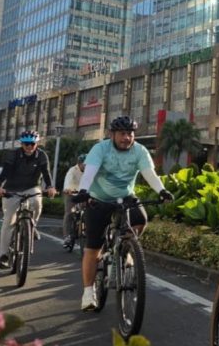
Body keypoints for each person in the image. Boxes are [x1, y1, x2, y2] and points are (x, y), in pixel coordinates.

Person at [72, 116, 173, 312]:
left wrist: (162, 190)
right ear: (112, 135)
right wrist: (84, 191)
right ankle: (88, 293)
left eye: (130, 134)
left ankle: (125, 249)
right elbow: (90, 172)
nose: (127, 138)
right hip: (99, 199)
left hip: (125, 197)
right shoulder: (100, 149)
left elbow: (149, 173)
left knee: (141, 219)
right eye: (122, 134)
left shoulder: (140, 151)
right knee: (93, 248)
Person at [0, 131, 56, 268]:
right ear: (21, 144)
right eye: (26, 144)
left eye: (32, 144)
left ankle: (32, 227)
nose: (29, 147)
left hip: (31, 187)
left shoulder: (42, 155)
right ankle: (3, 256)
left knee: (37, 203)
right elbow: (5, 172)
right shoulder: (13, 154)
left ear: (37, 144)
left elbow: (46, 172)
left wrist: (50, 187)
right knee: (8, 221)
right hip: (12, 188)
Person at [62, 154, 86, 249]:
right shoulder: (72, 170)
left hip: (84, 193)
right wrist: (67, 189)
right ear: (79, 164)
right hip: (72, 193)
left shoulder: (91, 170)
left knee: (90, 211)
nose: (86, 166)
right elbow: (68, 180)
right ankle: (67, 237)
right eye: (84, 164)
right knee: (69, 213)